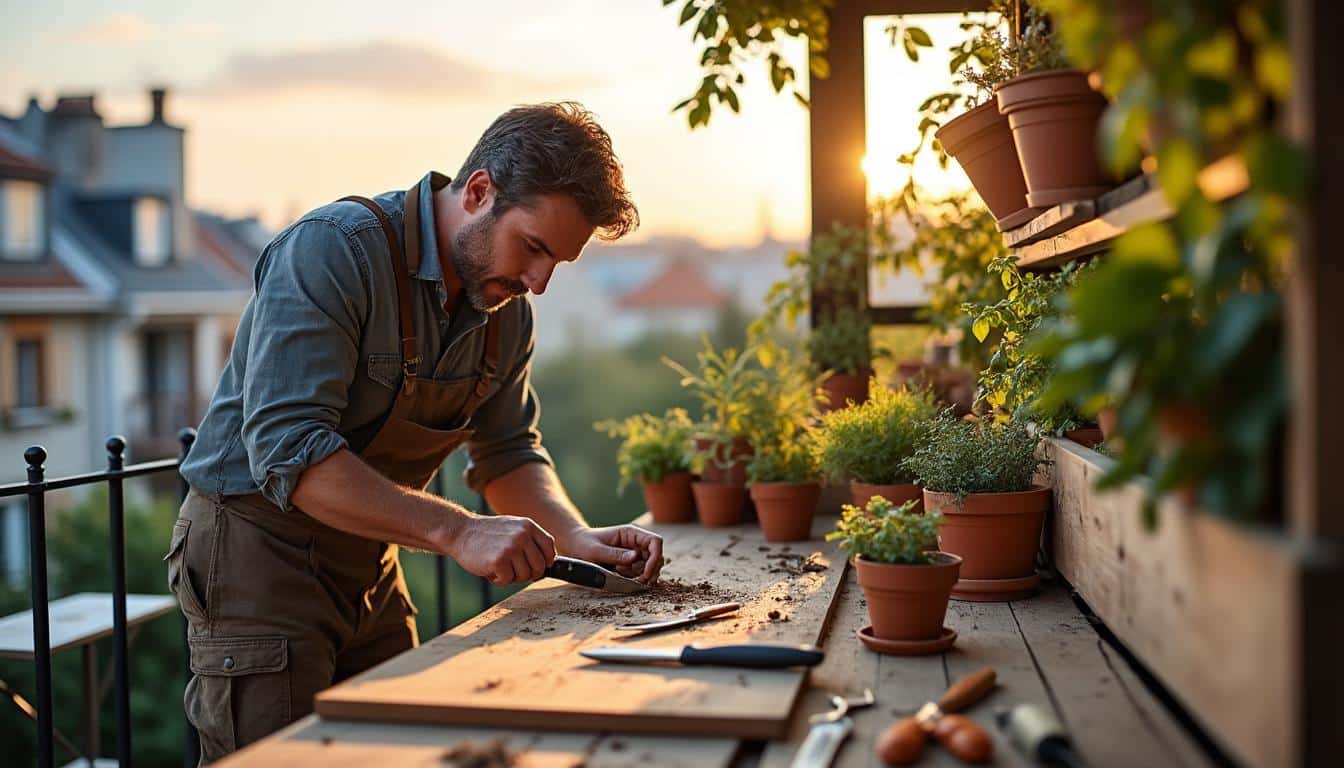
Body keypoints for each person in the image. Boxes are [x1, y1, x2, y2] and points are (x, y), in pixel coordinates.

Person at [168, 102, 662, 761]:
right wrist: (459, 531)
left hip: (371, 562)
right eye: (534, 248)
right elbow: (291, 453)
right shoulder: (333, 251)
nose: (538, 283)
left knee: (401, 753)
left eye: (558, 264)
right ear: (480, 191)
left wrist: (574, 537)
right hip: (257, 562)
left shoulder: (503, 306)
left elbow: (509, 449)